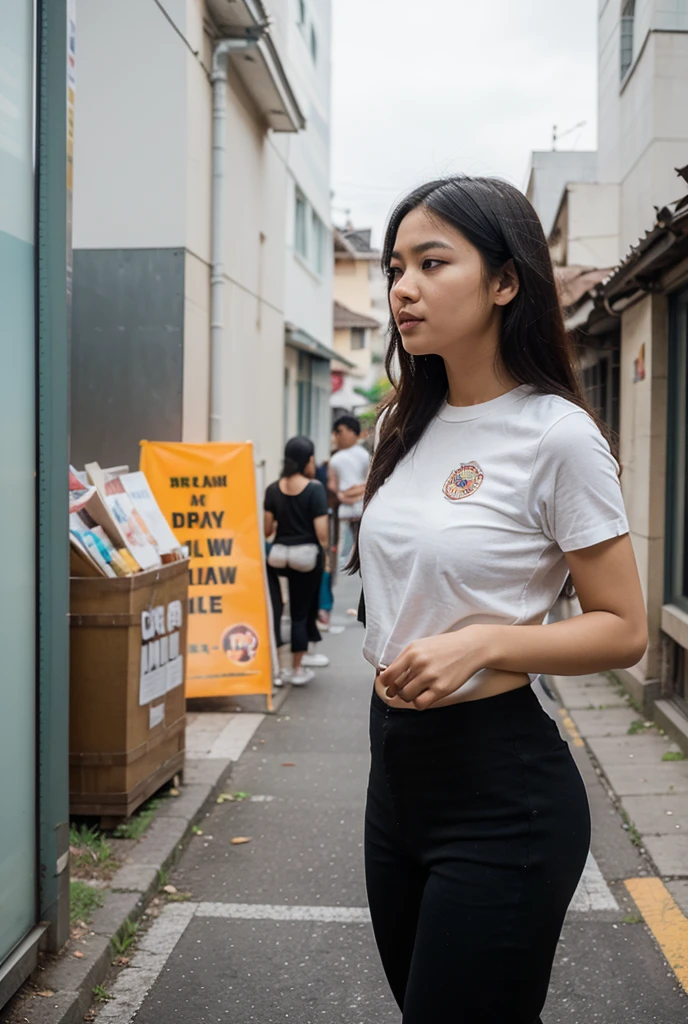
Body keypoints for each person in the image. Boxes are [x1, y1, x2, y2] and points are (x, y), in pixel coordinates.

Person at [350, 177, 647, 1023]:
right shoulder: (401, 422)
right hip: (395, 773)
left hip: (500, 790)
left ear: (505, 281)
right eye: (394, 266)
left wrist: (481, 643)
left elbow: (624, 628)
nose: (403, 286)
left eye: (432, 262)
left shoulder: (557, 437)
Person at [264, 437, 329, 686]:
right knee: (301, 613)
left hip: (278, 556)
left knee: (279, 610)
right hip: (305, 558)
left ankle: (276, 669)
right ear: (308, 460)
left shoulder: (272, 488)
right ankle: (298, 669)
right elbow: (322, 534)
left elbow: (267, 530)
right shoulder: (314, 489)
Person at [327, 415, 370, 567]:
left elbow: (369, 480)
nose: (337, 436)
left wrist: (344, 494)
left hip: (355, 508)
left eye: (340, 432)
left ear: (352, 432)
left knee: (350, 549)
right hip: (349, 508)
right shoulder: (336, 458)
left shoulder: (364, 456)